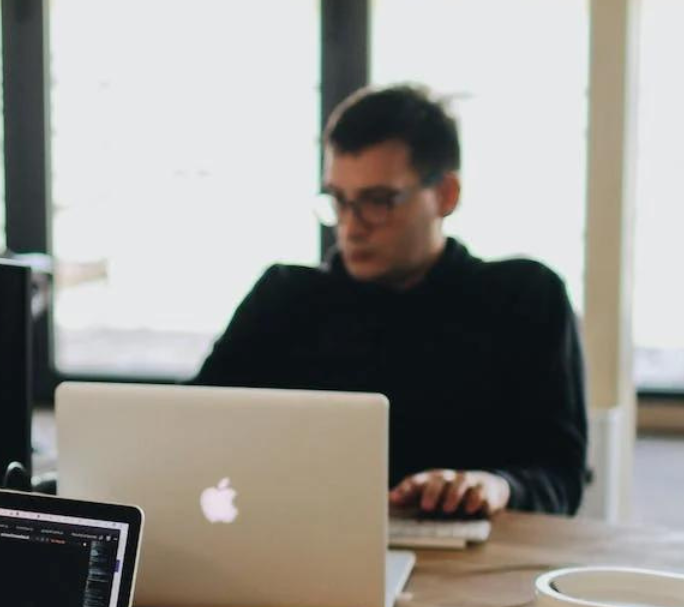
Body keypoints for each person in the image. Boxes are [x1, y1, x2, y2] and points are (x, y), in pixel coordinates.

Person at [192, 84, 587, 517]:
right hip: (304, 552)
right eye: (340, 201)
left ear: (446, 195)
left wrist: (496, 486)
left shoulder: (525, 298)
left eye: (378, 202)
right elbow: (188, 428)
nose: (351, 227)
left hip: (474, 565)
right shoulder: (284, 297)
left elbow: (561, 479)